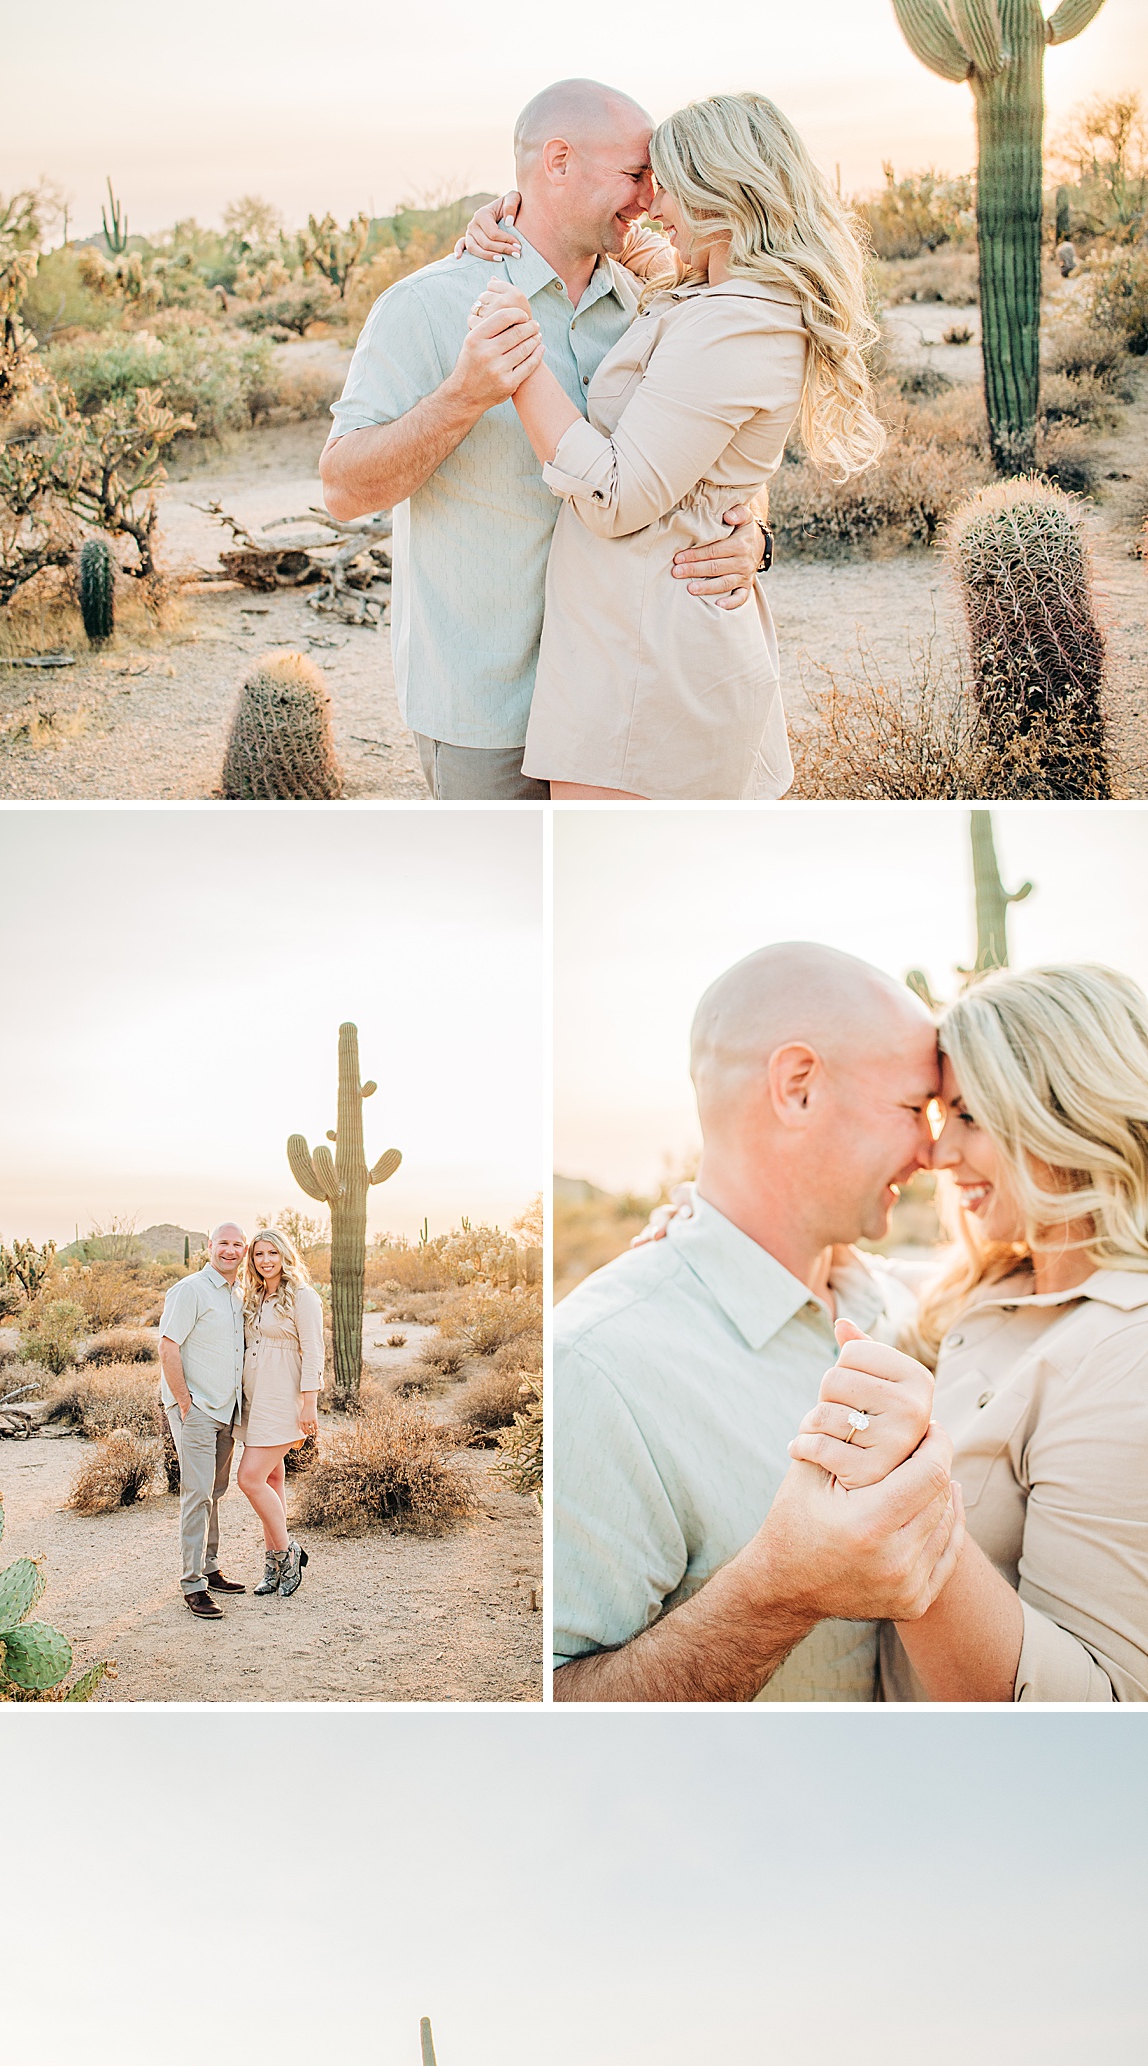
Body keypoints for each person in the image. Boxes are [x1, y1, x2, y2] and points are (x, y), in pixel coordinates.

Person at [318, 79, 769, 802]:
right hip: (494, 712)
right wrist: (463, 396)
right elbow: (342, 488)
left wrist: (753, 536)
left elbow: (721, 443)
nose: (652, 199)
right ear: (557, 162)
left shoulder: (656, 301)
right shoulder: (426, 307)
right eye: (635, 175)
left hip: (626, 696)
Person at [553, 944, 964, 1701]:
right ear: (799, 1087)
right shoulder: (596, 1369)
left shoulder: (903, 1305)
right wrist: (778, 1592)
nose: (933, 1152)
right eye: (914, 1109)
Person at [465, 91, 882, 800]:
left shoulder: (739, 321)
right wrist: (512, 213)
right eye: (643, 182)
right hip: (633, 649)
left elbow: (616, 497)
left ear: (722, 194)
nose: (652, 206)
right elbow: (611, 238)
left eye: (668, 187)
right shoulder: (708, 289)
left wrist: (518, 360)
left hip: (647, 668)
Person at [787, 964, 1148, 1701]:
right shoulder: (998, 1286)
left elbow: (1108, 1711)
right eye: (937, 1114)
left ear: (1072, 1112)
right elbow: (859, 1267)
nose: (940, 1152)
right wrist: (700, 1231)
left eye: (971, 1115)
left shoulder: (1125, 1350)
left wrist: (904, 1500)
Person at [157, 1223, 247, 1621]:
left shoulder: (237, 1296)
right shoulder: (190, 1289)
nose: (230, 1250)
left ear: (244, 1251)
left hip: (227, 1410)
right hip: (196, 1410)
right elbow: (167, 1345)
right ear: (209, 1247)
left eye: (237, 1244)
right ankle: (192, 1584)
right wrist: (183, 1402)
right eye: (223, 1243)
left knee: (216, 1489)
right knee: (197, 1493)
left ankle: (210, 1567)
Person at [236, 1227, 325, 1599]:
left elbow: (314, 1351)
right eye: (259, 1254)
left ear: (284, 1254)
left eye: (272, 1253)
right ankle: (272, 1566)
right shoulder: (253, 1295)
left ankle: (288, 1553)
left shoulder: (303, 1296)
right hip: (255, 1396)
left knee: (249, 1478)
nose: (265, 1260)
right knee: (272, 1480)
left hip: (282, 1397)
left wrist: (310, 1403)